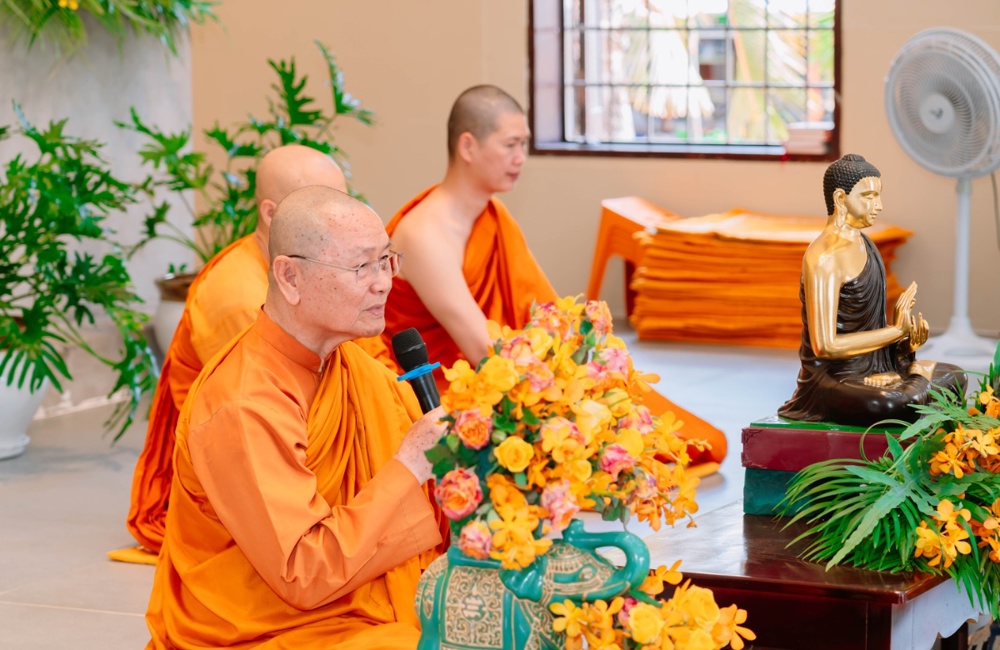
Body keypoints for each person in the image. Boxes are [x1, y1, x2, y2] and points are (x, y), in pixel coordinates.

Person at [145, 186, 445, 648]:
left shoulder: (351, 366)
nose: (384, 282)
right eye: (361, 267)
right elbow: (302, 572)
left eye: (387, 260)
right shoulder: (243, 403)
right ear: (289, 277)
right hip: (268, 627)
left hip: (358, 595)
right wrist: (410, 465)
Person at [381, 84, 726, 469]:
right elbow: (482, 351)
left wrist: (581, 370)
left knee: (696, 439)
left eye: (524, 144)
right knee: (615, 443)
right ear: (468, 146)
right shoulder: (426, 234)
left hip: (506, 371)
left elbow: (543, 317)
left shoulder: (491, 215)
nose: (520, 158)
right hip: (442, 394)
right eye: (509, 145)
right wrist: (563, 395)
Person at [120, 144, 391, 561]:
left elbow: (363, 375)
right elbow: (262, 419)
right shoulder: (239, 299)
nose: (340, 215)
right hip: (250, 483)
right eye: (319, 201)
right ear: (271, 213)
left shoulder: (334, 289)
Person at [779, 153, 966, 426]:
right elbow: (825, 346)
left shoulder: (866, 244)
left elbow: (868, 332)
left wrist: (903, 346)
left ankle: (915, 378)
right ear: (840, 199)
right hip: (835, 380)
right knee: (894, 403)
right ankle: (918, 379)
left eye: (879, 196)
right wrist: (895, 331)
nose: (879, 206)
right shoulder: (825, 256)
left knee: (956, 377)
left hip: (876, 369)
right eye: (868, 196)